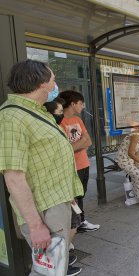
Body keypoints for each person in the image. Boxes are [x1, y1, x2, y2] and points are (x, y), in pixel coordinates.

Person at [0, 59, 84, 276]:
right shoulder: (12, 117)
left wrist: (68, 193)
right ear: (40, 83)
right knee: (49, 271)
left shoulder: (36, 111)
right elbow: (14, 177)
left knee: (55, 268)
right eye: (53, 80)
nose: (55, 84)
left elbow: (48, 160)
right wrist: (36, 226)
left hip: (56, 201)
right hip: (45, 210)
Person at [44, 98, 82, 275]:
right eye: (58, 112)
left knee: (72, 223)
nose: (60, 115)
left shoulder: (56, 129)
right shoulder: (49, 132)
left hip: (66, 188)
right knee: (62, 229)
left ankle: (62, 258)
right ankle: (60, 265)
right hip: (56, 192)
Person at [59, 90, 100, 233]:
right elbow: (64, 150)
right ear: (73, 103)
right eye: (81, 103)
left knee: (81, 195)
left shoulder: (78, 120)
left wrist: (75, 146)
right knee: (73, 196)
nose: (83, 107)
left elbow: (88, 141)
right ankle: (74, 224)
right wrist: (79, 143)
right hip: (71, 167)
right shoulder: (59, 121)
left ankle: (81, 221)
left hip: (84, 164)